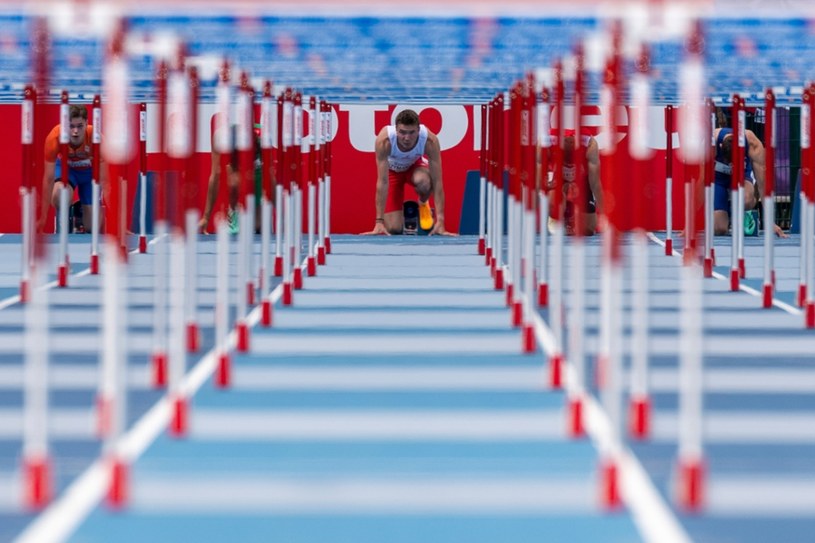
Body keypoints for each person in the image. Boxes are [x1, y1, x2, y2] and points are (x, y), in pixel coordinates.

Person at [363, 109, 454, 236]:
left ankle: (423, 202)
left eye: (412, 133)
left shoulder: (429, 141)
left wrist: (441, 221)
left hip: (414, 167)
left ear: (418, 130)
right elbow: (383, 182)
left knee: (425, 182)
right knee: (394, 228)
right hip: (392, 173)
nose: (407, 138)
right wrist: (379, 222)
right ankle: (397, 218)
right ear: (396, 130)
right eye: (402, 132)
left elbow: (437, 181)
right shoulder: (385, 141)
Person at [40, 104, 106, 233]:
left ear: (87, 123)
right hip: (66, 170)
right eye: (71, 126)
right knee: (61, 196)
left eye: (80, 126)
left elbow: (106, 181)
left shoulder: (97, 138)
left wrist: (120, 223)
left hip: (89, 174)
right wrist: (43, 217)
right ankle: (67, 209)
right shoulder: (54, 137)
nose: (75, 131)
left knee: (93, 227)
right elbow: (48, 179)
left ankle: (79, 214)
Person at [712, 126, 787, 237]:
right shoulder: (712, 143)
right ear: (721, 146)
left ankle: (750, 199)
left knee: (746, 199)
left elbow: (763, 184)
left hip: (741, 176)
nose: (731, 167)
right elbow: (700, 180)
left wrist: (771, 222)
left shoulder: (753, 144)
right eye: (730, 163)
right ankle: (724, 208)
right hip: (719, 179)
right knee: (719, 229)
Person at [199, 122, 267, 234]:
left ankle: (258, 209)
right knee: (233, 179)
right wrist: (206, 217)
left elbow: (270, 177)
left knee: (258, 225)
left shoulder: (260, 137)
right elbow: (215, 175)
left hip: (257, 177)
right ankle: (235, 212)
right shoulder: (219, 137)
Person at [544, 129, 603, 236]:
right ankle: (559, 217)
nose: (570, 143)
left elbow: (595, 183)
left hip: (582, 179)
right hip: (558, 178)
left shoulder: (590, 144)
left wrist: (604, 213)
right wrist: (547, 187)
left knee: (588, 230)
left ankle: (576, 216)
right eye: (566, 141)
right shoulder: (546, 142)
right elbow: (538, 178)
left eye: (572, 141)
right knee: (552, 202)